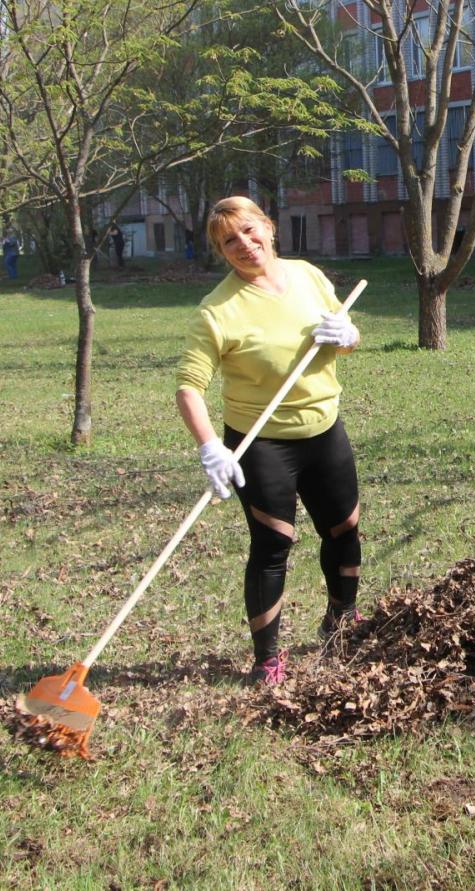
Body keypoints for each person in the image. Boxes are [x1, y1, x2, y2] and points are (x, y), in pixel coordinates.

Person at [174, 195, 365, 687]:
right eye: (228, 240)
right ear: (221, 251)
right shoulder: (217, 311)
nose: (243, 244)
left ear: (269, 227)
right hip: (262, 443)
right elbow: (189, 387)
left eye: (249, 230)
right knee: (272, 544)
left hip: (324, 428)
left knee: (343, 529)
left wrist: (347, 334)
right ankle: (268, 658)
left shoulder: (307, 276)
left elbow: (343, 336)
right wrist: (209, 446)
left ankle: (341, 621)